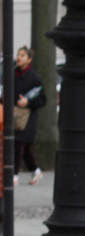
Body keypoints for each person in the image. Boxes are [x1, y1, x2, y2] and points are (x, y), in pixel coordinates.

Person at [13, 46, 46, 186]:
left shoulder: (34, 78)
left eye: (22, 55)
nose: (19, 58)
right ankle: (36, 171)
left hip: (28, 119)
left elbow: (42, 99)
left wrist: (28, 102)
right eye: (18, 55)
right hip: (14, 116)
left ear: (29, 59)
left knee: (18, 144)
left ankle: (13, 175)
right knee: (25, 150)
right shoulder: (12, 74)